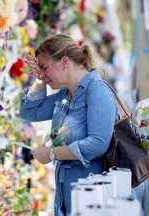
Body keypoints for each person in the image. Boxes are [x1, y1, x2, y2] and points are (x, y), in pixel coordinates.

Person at [19, 34, 119, 216]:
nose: (42, 73)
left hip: (93, 197)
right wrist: (40, 81)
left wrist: (51, 153)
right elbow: (29, 112)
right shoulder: (65, 94)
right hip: (67, 195)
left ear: (64, 62)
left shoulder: (98, 90)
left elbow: (98, 144)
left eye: (44, 67)